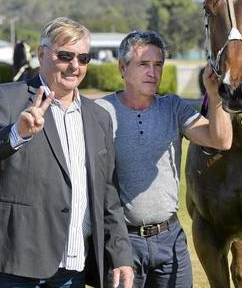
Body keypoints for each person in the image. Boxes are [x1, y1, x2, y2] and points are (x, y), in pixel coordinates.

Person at [0, 17, 134, 288]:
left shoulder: (99, 117)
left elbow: (108, 194)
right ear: (42, 54)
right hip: (16, 264)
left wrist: (121, 255)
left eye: (83, 58)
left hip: (73, 266)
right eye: (65, 56)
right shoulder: (7, 98)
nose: (75, 66)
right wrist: (16, 133)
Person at [96, 30, 232, 288]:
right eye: (143, 64)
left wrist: (215, 97)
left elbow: (221, 140)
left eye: (158, 65)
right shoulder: (101, 111)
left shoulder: (173, 107)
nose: (153, 72)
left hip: (170, 240)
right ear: (122, 68)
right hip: (122, 242)